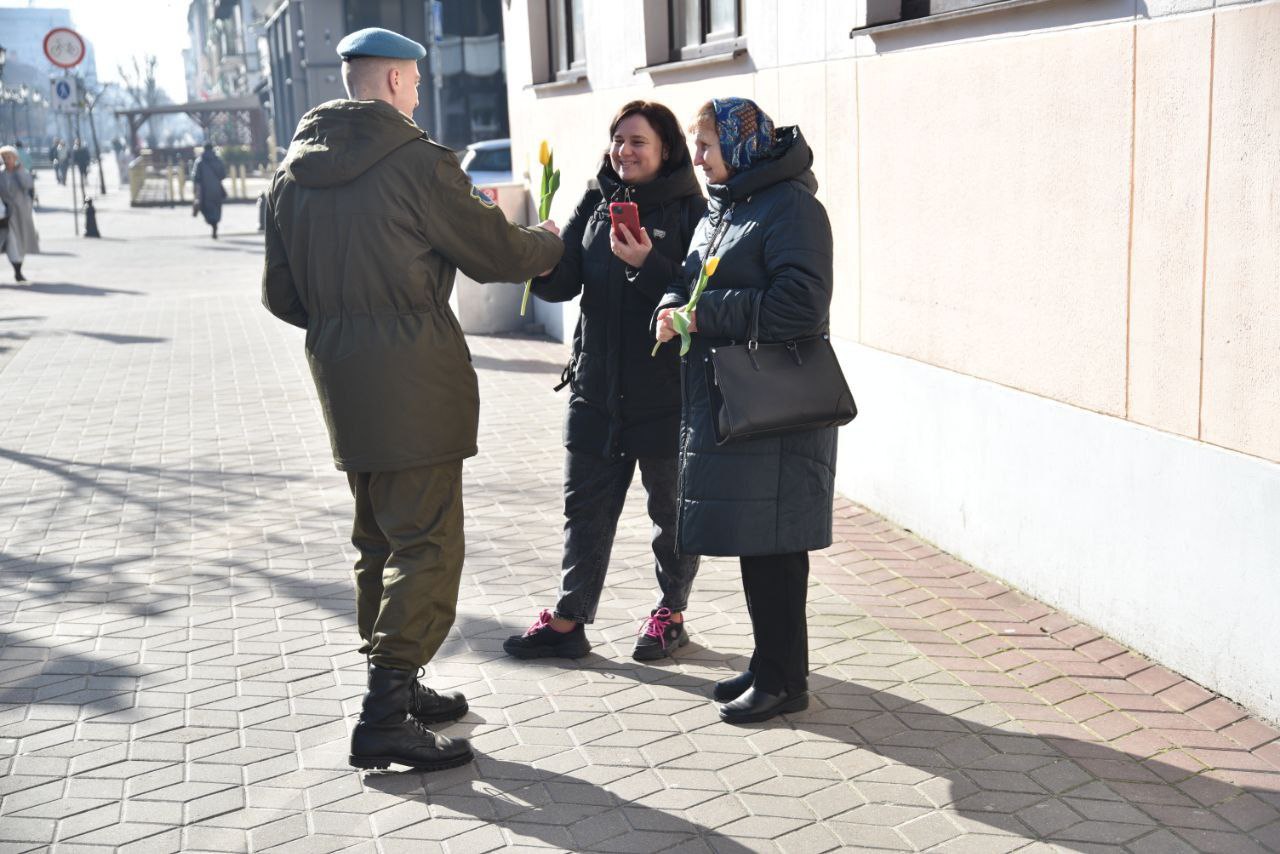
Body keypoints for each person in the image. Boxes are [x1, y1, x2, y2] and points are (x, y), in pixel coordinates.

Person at [262, 27, 563, 772]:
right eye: (416, 83)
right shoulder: (418, 164)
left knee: (377, 540)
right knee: (427, 542)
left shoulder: (291, 174)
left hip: (341, 378)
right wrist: (553, 240)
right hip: (416, 380)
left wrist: (347, 327)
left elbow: (281, 296)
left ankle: (401, 684)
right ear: (396, 81)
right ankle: (384, 712)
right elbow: (496, 253)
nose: (420, 94)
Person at [503, 101, 706, 663]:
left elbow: (697, 299)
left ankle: (672, 613)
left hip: (665, 398)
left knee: (672, 515)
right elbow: (563, 280)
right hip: (595, 390)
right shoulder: (597, 200)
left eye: (638, 141)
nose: (624, 151)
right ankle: (569, 622)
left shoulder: (693, 211)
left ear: (666, 149)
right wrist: (540, 256)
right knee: (584, 508)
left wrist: (647, 264)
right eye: (618, 139)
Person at [654, 98, 836, 725]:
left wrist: (703, 315)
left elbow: (801, 305)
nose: (697, 158)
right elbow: (691, 277)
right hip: (733, 399)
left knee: (777, 546)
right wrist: (672, 304)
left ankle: (787, 681)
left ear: (739, 143)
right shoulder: (727, 209)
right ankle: (769, 664)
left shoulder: (792, 207)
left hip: (775, 406)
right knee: (758, 542)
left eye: (705, 145)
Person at [0, 145, 39, 282]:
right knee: (11, 241)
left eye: (9, 157)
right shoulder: (1, 173)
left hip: (21, 212)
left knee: (21, 242)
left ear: (15, 158)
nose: (6, 160)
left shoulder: (22, 171)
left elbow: (29, 186)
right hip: (6, 213)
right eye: (4, 157)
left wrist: (20, 172)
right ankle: (17, 270)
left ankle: (19, 268)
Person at [191, 144, 228, 239]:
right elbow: (223, 175)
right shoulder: (218, 160)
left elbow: (195, 177)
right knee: (216, 208)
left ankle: (212, 223)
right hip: (216, 190)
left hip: (204, 191)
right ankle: (215, 224)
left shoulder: (199, 161)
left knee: (206, 209)